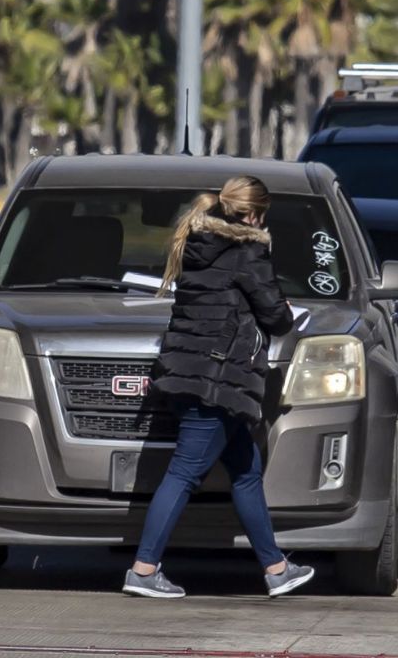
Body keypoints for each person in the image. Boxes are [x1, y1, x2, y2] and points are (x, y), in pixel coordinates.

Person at [122, 176, 314, 599]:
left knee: (246, 472)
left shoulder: (197, 246)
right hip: (217, 380)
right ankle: (143, 569)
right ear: (255, 213)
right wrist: (285, 312)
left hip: (189, 372)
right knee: (185, 473)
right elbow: (276, 317)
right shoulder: (248, 252)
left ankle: (277, 569)